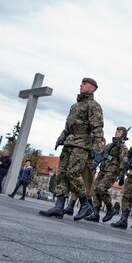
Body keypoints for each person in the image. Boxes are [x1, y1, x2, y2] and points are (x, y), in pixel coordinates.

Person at [39, 78, 104, 220]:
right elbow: (68, 125)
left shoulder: (94, 106)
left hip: (81, 144)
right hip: (69, 142)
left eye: (85, 84)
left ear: (92, 88)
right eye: (82, 83)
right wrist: (61, 137)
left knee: (73, 173)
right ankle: (59, 207)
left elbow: (97, 128)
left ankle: (85, 204)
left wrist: (97, 148)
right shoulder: (75, 106)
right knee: (62, 173)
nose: (81, 85)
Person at [86, 127, 129, 223]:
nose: (117, 132)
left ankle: (110, 209)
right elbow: (101, 156)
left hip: (112, 172)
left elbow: (123, 161)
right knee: (95, 190)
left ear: (124, 135)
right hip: (103, 170)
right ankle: (95, 213)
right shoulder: (109, 145)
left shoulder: (123, 147)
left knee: (102, 188)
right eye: (116, 130)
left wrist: (122, 175)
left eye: (119, 131)